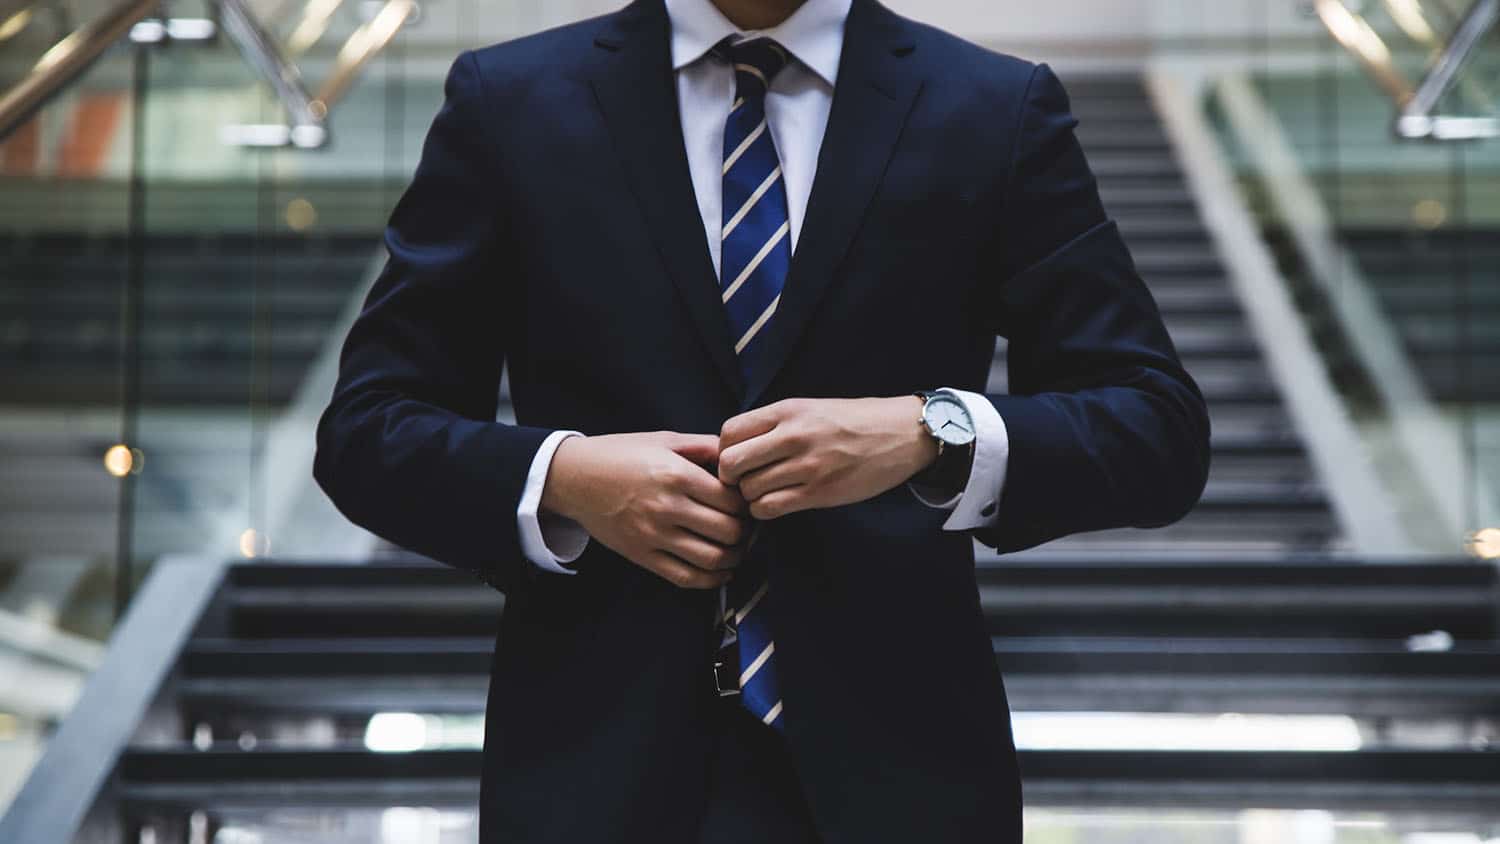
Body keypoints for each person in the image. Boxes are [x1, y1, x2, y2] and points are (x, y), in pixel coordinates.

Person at [313, 0, 1211, 840]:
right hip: (589, 771)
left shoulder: (993, 106)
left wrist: (933, 432)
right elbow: (366, 429)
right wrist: (566, 481)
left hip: (905, 779)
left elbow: (1155, 427)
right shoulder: (509, 101)